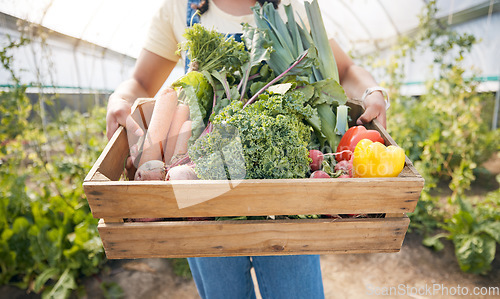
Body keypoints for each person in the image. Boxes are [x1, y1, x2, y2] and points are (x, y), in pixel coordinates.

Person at [105, 0, 389, 298]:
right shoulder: (179, 8)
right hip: (203, 197)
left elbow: (345, 70)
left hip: (284, 199)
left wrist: (372, 91)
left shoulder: (292, 7)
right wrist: (119, 98)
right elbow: (140, 81)